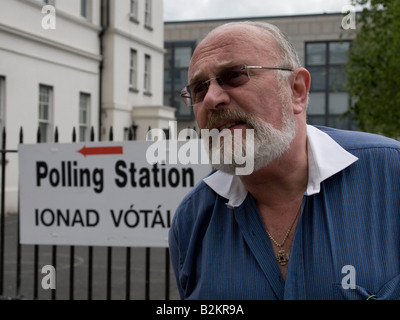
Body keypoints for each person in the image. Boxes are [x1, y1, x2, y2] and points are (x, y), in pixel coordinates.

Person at [168, 21, 400, 300]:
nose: (211, 99)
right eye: (198, 89)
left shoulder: (390, 174)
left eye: (234, 75)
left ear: (296, 90)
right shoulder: (192, 220)